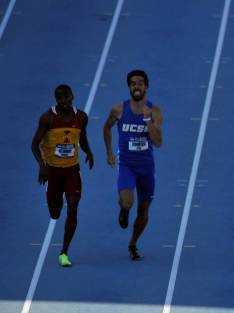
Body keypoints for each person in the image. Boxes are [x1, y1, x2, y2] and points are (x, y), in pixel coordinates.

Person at [31, 85, 94, 267]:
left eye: (67, 97)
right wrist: (42, 165)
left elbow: (82, 138)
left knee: (73, 207)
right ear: (56, 100)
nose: (64, 102)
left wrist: (89, 152)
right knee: (55, 212)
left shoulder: (81, 117)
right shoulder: (48, 118)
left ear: (72, 96)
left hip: (72, 171)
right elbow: (34, 144)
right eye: (60, 99)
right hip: (53, 172)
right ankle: (54, 200)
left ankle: (64, 252)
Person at [103, 70, 163, 260]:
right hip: (127, 164)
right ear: (129, 87)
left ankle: (133, 243)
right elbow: (106, 128)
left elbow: (158, 141)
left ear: (146, 87)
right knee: (128, 201)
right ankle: (123, 209)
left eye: (140, 83)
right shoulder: (119, 109)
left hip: (146, 167)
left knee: (144, 210)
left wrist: (147, 120)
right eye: (133, 83)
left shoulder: (155, 111)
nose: (137, 86)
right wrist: (110, 153)